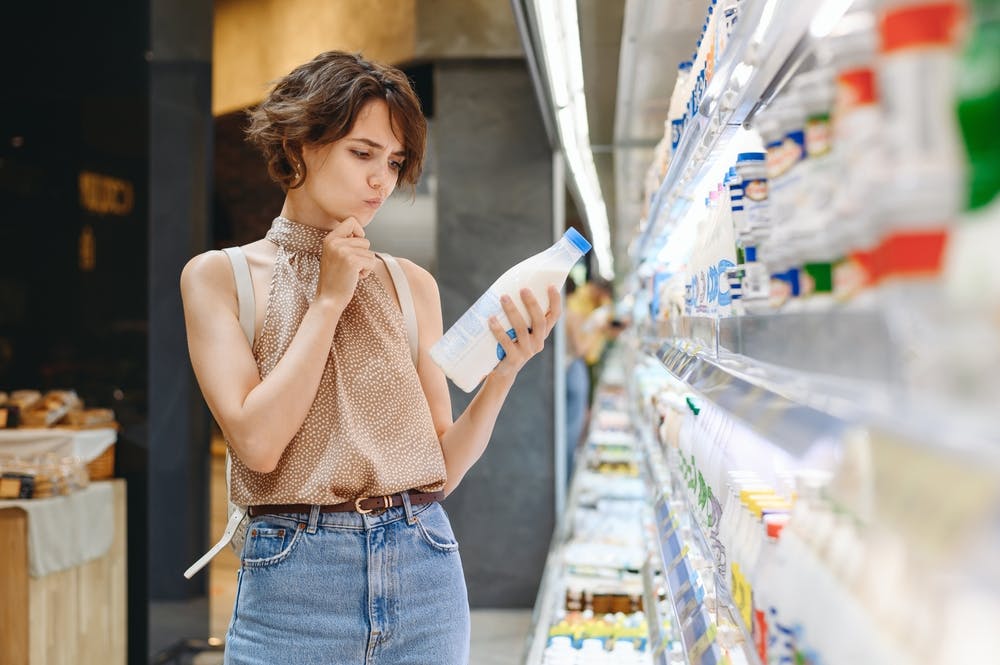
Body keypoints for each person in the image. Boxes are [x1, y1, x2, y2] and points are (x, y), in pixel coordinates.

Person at [179, 51, 562, 665]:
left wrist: (505, 372)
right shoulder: (220, 277)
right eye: (362, 153)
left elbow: (441, 469)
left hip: (424, 567)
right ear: (299, 143)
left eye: (395, 161)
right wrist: (329, 299)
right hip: (293, 583)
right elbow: (257, 443)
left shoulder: (412, 285)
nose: (382, 180)